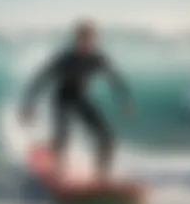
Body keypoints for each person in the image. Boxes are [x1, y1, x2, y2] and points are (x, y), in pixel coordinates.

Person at [20, 20, 134, 181]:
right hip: (63, 99)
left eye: (90, 39)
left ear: (94, 40)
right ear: (76, 39)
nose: (86, 43)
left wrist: (125, 100)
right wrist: (28, 106)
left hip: (81, 98)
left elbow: (116, 79)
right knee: (63, 139)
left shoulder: (97, 58)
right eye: (83, 39)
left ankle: (101, 177)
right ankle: (57, 170)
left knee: (107, 138)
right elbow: (40, 80)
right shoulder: (65, 59)